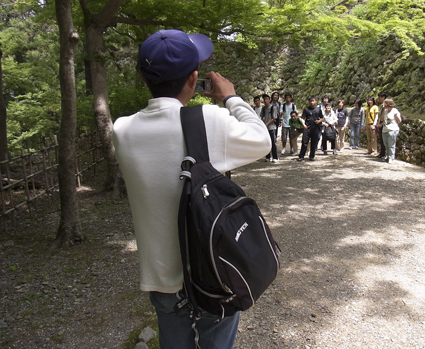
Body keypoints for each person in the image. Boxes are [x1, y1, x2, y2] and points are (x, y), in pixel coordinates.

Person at [112, 29, 271, 349]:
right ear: (194, 78)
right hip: (214, 270)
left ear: (143, 78)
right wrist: (231, 97)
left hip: (161, 278)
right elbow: (262, 141)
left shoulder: (122, 130)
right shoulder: (208, 120)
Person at [297, 96, 323, 161]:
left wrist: (319, 121)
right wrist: (304, 125)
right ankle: (301, 156)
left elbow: (322, 117)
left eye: (313, 101)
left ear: (316, 101)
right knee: (304, 142)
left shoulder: (318, 109)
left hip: (315, 128)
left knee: (313, 143)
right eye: (310, 101)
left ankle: (312, 156)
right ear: (309, 101)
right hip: (307, 128)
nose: (312, 102)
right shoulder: (306, 109)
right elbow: (302, 118)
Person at [380, 98, 402, 163]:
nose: (384, 105)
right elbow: (381, 119)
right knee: (386, 144)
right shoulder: (385, 111)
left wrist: (396, 116)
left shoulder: (394, 111)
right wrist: (383, 110)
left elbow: (399, 120)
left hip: (392, 130)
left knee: (391, 144)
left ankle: (391, 157)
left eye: (385, 104)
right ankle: (388, 156)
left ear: (388, 104)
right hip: (385, 129)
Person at [261, 94, 279, 162]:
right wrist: (263, 123)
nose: (265, 101)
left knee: (273, 143)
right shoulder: (263, 108)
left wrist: (267, 124)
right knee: (266, 143)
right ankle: (267, 157)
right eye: (264, 99)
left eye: (266, 99)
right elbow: (262, 116)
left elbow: (274, 118)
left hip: (272, 128)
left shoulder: (273, 107)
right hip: (265, 128)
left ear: (269, 100)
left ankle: (275, 157)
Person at [376, 92, 387, 159]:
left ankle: (383, 153)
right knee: (381, 139)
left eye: (379, 97)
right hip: (380, 122)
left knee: (383, 139)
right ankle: (382, 153)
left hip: (383, 124)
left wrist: (381, 123)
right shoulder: (381, 106)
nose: (378, 98)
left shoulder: (385, 106)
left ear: (383, 97)